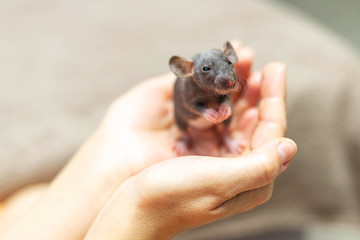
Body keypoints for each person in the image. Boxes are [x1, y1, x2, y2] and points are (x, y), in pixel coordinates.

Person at [0, 41, 297, 239]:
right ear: (186, 70)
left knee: (29, 199)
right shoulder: (188, 88)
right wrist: (137, 212)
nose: (228, 78)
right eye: (209, 70)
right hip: (190, 119)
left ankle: (227, 137)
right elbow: (192, 107)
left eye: (227, 68)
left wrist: (109, 159)